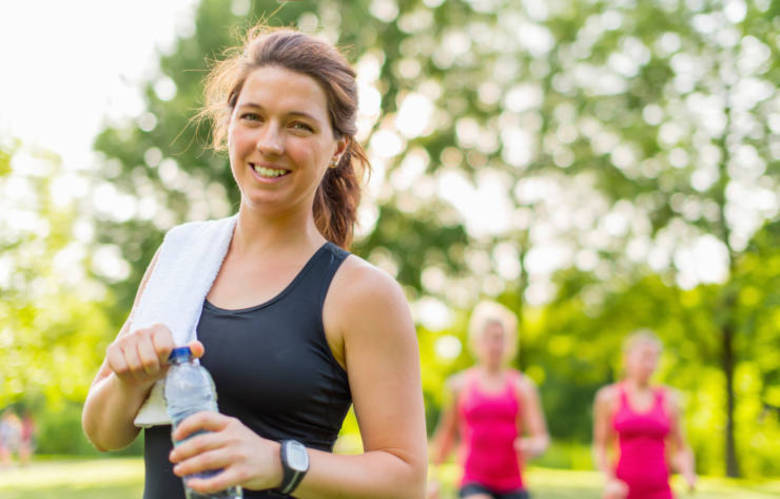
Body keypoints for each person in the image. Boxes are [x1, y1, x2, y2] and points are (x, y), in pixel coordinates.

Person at [82, 25, 427, 498]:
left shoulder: (362, 294)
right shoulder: (180, 255)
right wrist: (129, 381)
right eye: (252, 117)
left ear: (337, 148)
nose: (270, 143)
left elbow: (406, 479)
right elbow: (104, 433)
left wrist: (278, 461)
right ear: (228, 127)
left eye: (298, 125)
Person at [430, 301, 549, 499]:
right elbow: (446, 434)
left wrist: (533, 446)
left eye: (501, 339)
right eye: (490, 339)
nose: (496, 346)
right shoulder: (459, 385)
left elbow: (541, 438)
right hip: (473, 481)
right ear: (477, 341)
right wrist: (434, 477)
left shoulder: (523, 386)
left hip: (513, 484)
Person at [592, 330, 696, 499]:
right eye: (644, 357)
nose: (649, 364)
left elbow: (681, 448)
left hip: (660, 491)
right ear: (626, 358)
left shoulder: (670, 399)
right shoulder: (609, 397)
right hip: (622, 492)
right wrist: (609, 481)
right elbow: (600, 447)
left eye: (654, 358)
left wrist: (688, 473)